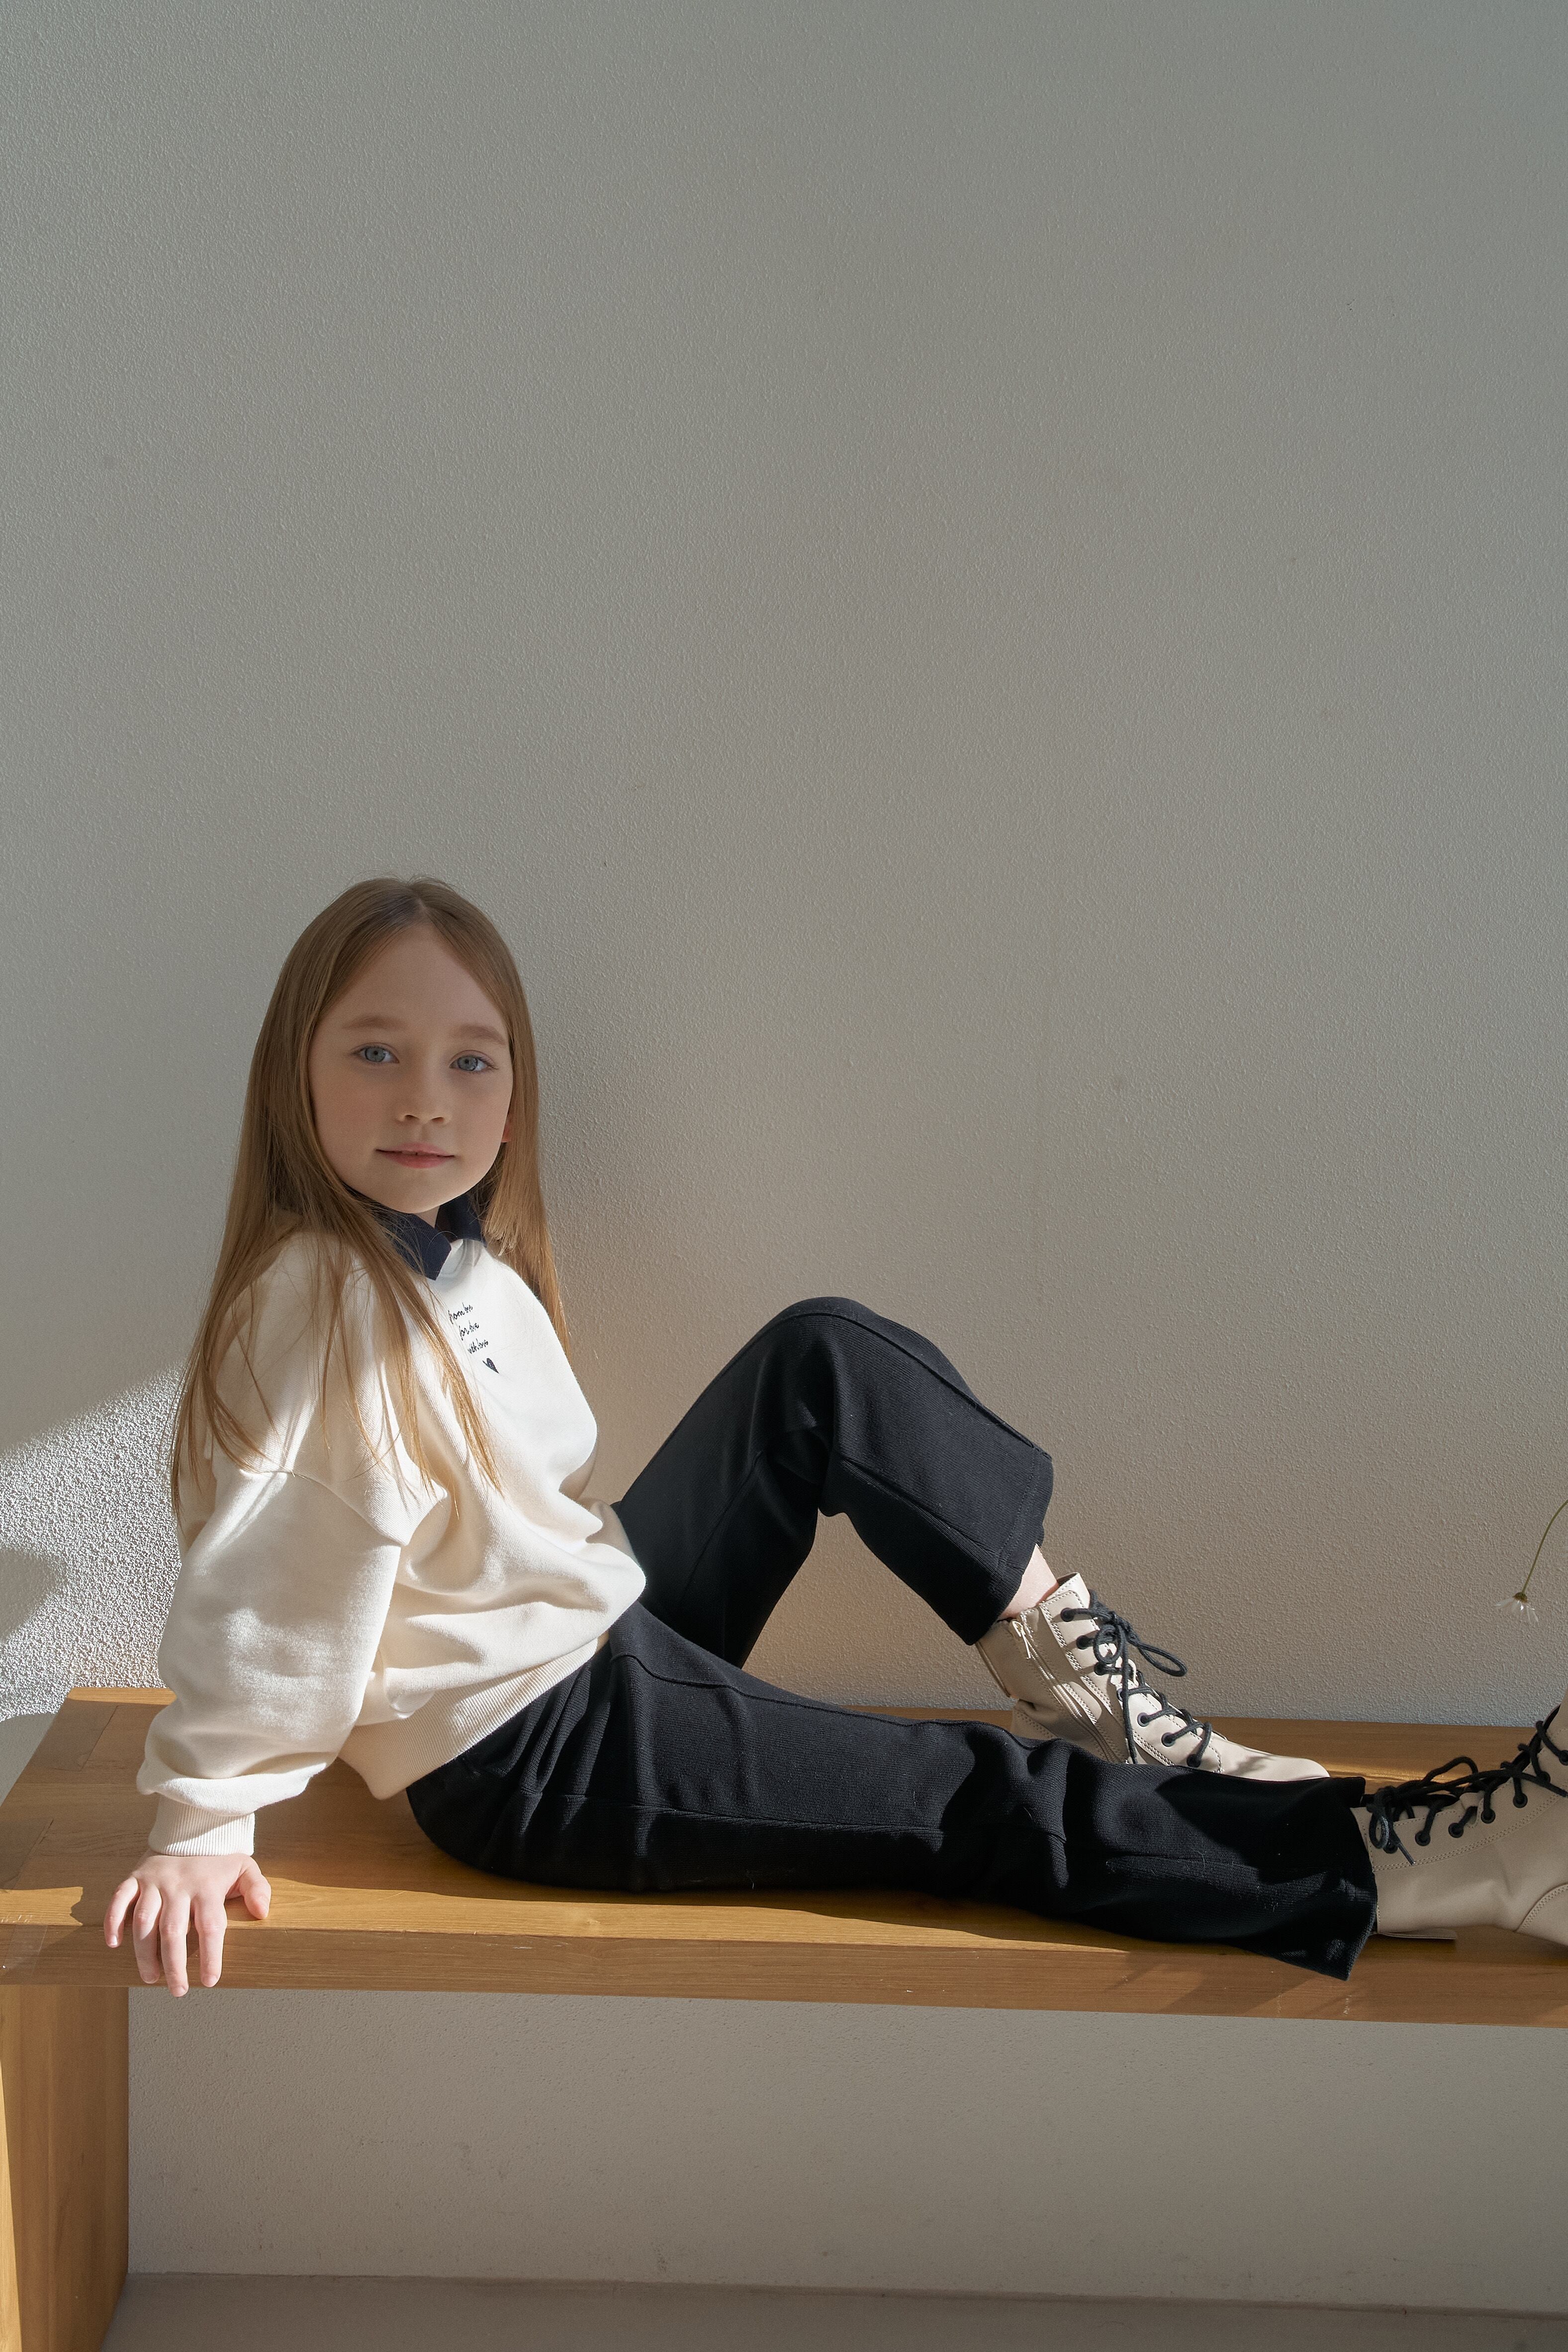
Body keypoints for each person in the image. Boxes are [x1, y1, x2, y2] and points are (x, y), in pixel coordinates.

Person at [103, 878, 1568, 1998]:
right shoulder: (320, 1306)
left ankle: (1085, 1686)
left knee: (825, 1360)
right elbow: (273, 1579)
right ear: (296, 1072)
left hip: (596, 1633)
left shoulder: (453, 1266)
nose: (426, 1097)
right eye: (376, 1050)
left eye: (471, 1061)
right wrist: (204, 1812)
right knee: (972, 1797)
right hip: (530, 1755)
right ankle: (1435, 1868)